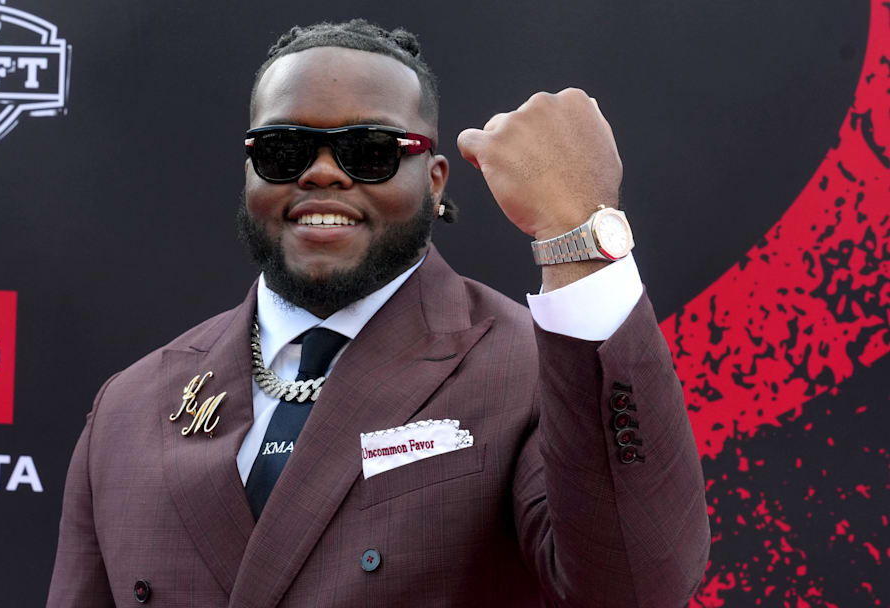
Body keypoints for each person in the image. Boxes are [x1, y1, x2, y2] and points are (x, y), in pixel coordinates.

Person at [47, 19, 710, 607]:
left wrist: (577, 232)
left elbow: (634, 585)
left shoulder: (530, 373)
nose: (324, 173)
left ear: (436, 180)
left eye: (370, 152)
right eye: (285, 150)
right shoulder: (128, 408)